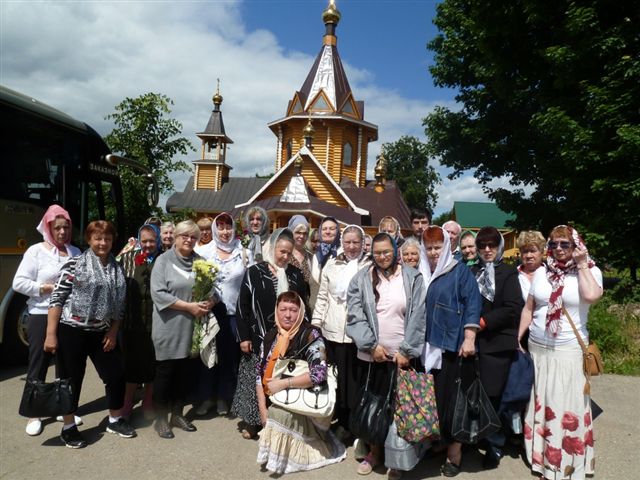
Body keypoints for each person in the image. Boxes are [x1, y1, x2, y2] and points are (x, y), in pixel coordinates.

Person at [518, 225, 602, 480]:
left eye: (565, 244)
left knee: (566, 407)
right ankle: (542, 461)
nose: (558, 249)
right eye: (554, 244)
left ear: (577, 245)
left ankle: (563, 465)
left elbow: (592, 295)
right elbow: (529, 308)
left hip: (568, 350)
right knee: (541, 404)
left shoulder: (590, 271)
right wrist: (518, 338)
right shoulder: (544, 272)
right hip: (538, 348)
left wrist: (583, 263)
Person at [45, 220, 135, 448]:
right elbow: (57, 299)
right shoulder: (74, 264)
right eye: (98, 238)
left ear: (113, 241)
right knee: (71, 379)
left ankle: (114, 420)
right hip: (71, 330)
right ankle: (68, 428)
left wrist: (114, 331)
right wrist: (51, 334)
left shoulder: (117, 269)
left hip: (101, 331)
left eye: (107, 238)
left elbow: (120, 305)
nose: (103, 243)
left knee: (115, 374)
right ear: (89, 240)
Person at [346, 233, 426, 479]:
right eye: (378, 252)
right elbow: (354, 314)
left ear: (395, 250)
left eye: (386, 251)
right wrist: (371, 345)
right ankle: (374, 453)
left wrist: (407, 350)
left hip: (401, 357)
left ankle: (396, 459)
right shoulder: (361, 279)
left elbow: (418, 315)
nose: (382, 257)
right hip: (374, 357)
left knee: (399, 411)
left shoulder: (412, 278)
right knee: (374, 406)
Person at [257, 291, 347, 474]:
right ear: (276, 311)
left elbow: (319, 374)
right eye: (283, 309)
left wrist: (283, 384)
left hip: (306, 400)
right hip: (278, 396)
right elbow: (259, 374)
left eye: (293, 310)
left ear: (301, 312)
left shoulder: (311, 335)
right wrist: (262, 409)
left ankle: (298, 453)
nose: (288, 315)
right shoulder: (270, 336)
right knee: (272, 413)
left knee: (278, 414)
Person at [12, 205, 82, 436]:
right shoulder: (36, 251)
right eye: (57, 228)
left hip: (69, 316)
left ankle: (64, 408)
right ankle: (35, 412)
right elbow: (19, 283)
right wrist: (46, 288)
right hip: (41, 314)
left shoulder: (76, 252)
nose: (62, 232)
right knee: (39, 363)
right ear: (49, 228)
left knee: (66, 365)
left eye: (66, 227)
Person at [233, 228, 308, 439]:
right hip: (258, 336)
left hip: (287, 337)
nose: (285, 257)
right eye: (281, 251)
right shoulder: (255, 272)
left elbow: (303, 306)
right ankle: (252, 421)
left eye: (288, 253)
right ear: (272, 248)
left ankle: (278, 422)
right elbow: (243, 306)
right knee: (254, 378)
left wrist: (304, 334)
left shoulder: (295, 274)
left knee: (280, 378)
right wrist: (244, 336)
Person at [421, 226, 482, 477]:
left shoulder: (459, 271)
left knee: (452, 402)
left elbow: (473, 303)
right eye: (429, 248)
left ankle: (454, 452)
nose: (434, 252)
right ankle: (439, 441)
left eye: (438, 247)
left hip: (449, 347)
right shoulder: (420, 271)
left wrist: (469, 337)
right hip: (425, 348)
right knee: (432, 402)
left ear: (446, 246)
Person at [150, 220, 215, 439]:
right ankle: (160, 419)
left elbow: (213, 291)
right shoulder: (163, 261)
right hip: (169, 328)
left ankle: (177, 415)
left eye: (193, 237)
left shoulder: (201, 262)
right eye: (184, 235)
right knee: (165, 375)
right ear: (175, 237)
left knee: (183, 376)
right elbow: (158, 293)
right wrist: (189, 306)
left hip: (192, 329)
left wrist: (210, 302)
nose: (189, 240)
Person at [470, 226, 524, 469]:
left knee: (494, 397)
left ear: (500, 246)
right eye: (482, 245)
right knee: (479, 396)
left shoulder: (508, 273)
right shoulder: (472, 271)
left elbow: (513, 307)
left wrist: (484, 322)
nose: (487, 250)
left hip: (498, 343)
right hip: (475, 344)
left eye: (492, 245)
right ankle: (479, 435)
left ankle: (495, 444)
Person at [312, 225, 370, 438]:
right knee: (337, 380)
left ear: (363, 243)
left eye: (356, 242)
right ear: (342, 243)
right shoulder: (332, 264)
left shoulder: (369, 265)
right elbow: (323, 297)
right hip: (333, 331)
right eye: (348, 242)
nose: (352, 246)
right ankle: (342, 421)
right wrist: (316, 324)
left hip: (358, 334)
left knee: (356, 381)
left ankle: (357, 425)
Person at [194, 213, 248, 416]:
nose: (225, 232)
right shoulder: (204, 252)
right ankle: (206, 397)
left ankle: (224, 398)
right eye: (221, 227)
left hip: (233, 314)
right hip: (210, 312)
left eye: (228, 227)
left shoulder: (243, 253)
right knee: (208, 357)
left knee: (228, 358)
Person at [119, 223, 162, 419]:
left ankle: (148, 401)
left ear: (158, 240)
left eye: (152, 241)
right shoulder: (127, 258)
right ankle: (127, 403)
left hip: (156, 321)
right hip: (132, 320)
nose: (147, 245)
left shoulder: (163, 259)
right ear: (138, 240)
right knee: (131, 365)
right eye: (144, 241)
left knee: (152, 363)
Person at [516, 230, 546, 302]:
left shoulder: (551, 274)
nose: (529, 256)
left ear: (542, 252)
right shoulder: (513, 275)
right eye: (525, 251)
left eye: (533, 251)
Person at [287, 214, 313, 284]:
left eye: (305, 233)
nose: (301, 236)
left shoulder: (310, 257)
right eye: (298, 232)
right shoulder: (285, 254)